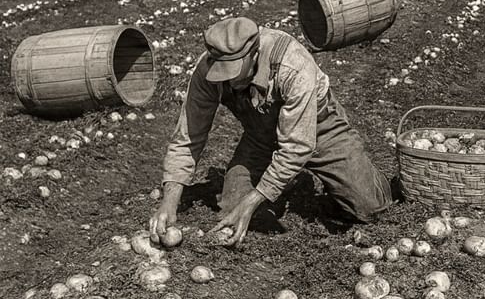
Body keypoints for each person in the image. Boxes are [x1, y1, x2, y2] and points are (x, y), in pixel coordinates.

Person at [149, 16, 393, 246]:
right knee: (232, 208)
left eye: (234, 73)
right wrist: (170, 201)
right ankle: (285, 181)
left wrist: (255, 198)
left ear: (254, 54)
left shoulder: (293, 64)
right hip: (262, 136)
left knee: (369, 208)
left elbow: (298, 146)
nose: (230, 82)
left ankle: (376, 181)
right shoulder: (207, 71)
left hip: (320, 129)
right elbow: (189, 135)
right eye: (222, 74)